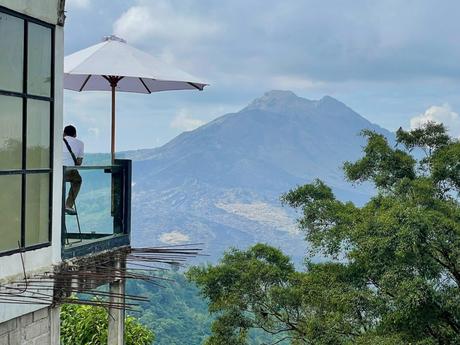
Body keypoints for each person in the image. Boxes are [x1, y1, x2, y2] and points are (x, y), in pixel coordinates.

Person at [63, 125, 84, 215]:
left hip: (57, 170)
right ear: (75, 135)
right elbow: (79, 162)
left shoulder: (57, 141)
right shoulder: (80, 143)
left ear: (63, 133)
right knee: (77, 180)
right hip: (70, 170)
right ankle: (68, 204)